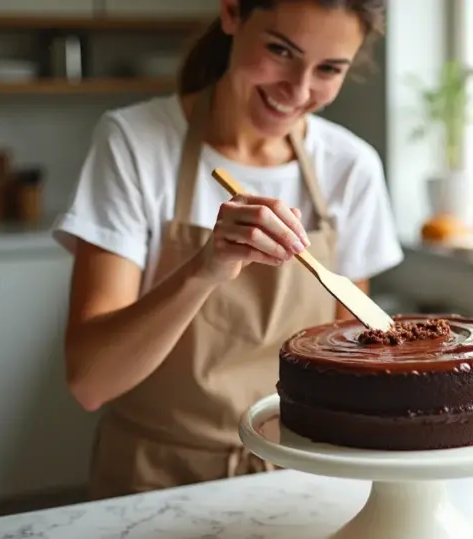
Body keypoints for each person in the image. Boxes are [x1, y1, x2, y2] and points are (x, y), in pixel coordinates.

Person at [51, 0, 402, 499]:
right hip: (155, 478)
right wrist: (206, 268)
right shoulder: (135, 144)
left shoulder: (350, 167)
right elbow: (90, 382)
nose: (299, 91)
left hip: (299, 474)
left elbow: (349, 353)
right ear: (233, 13)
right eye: (281, 51)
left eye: (328, 69)